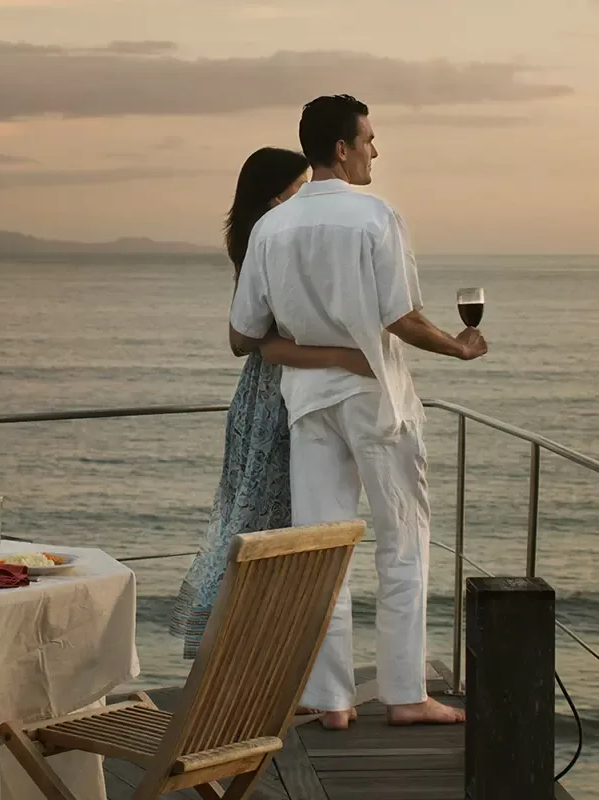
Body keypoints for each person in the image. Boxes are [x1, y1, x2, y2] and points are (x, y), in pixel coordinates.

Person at [231, 95, 486, 728]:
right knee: (403, 545)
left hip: (308, 403)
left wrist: (316, 340)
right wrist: (458, 347)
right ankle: (406, 695)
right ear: (342, 149)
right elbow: (402, 319)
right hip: (376, 401)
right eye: (368, 139)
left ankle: (331, 701)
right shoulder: (376, 216)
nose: (376, 150)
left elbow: (244, 333)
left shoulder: (271, 228)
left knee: (322, 550)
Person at [169, 146, 374, 660]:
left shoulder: (279, 242)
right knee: (262, 526)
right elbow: (244, 340)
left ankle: (269, 657)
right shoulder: (266, 244)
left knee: (282, 526)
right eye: (299, 187)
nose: (307, 196)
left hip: (284, 393)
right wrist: (340, 354)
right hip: (271, 400)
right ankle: (240, 654)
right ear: (274, 198)